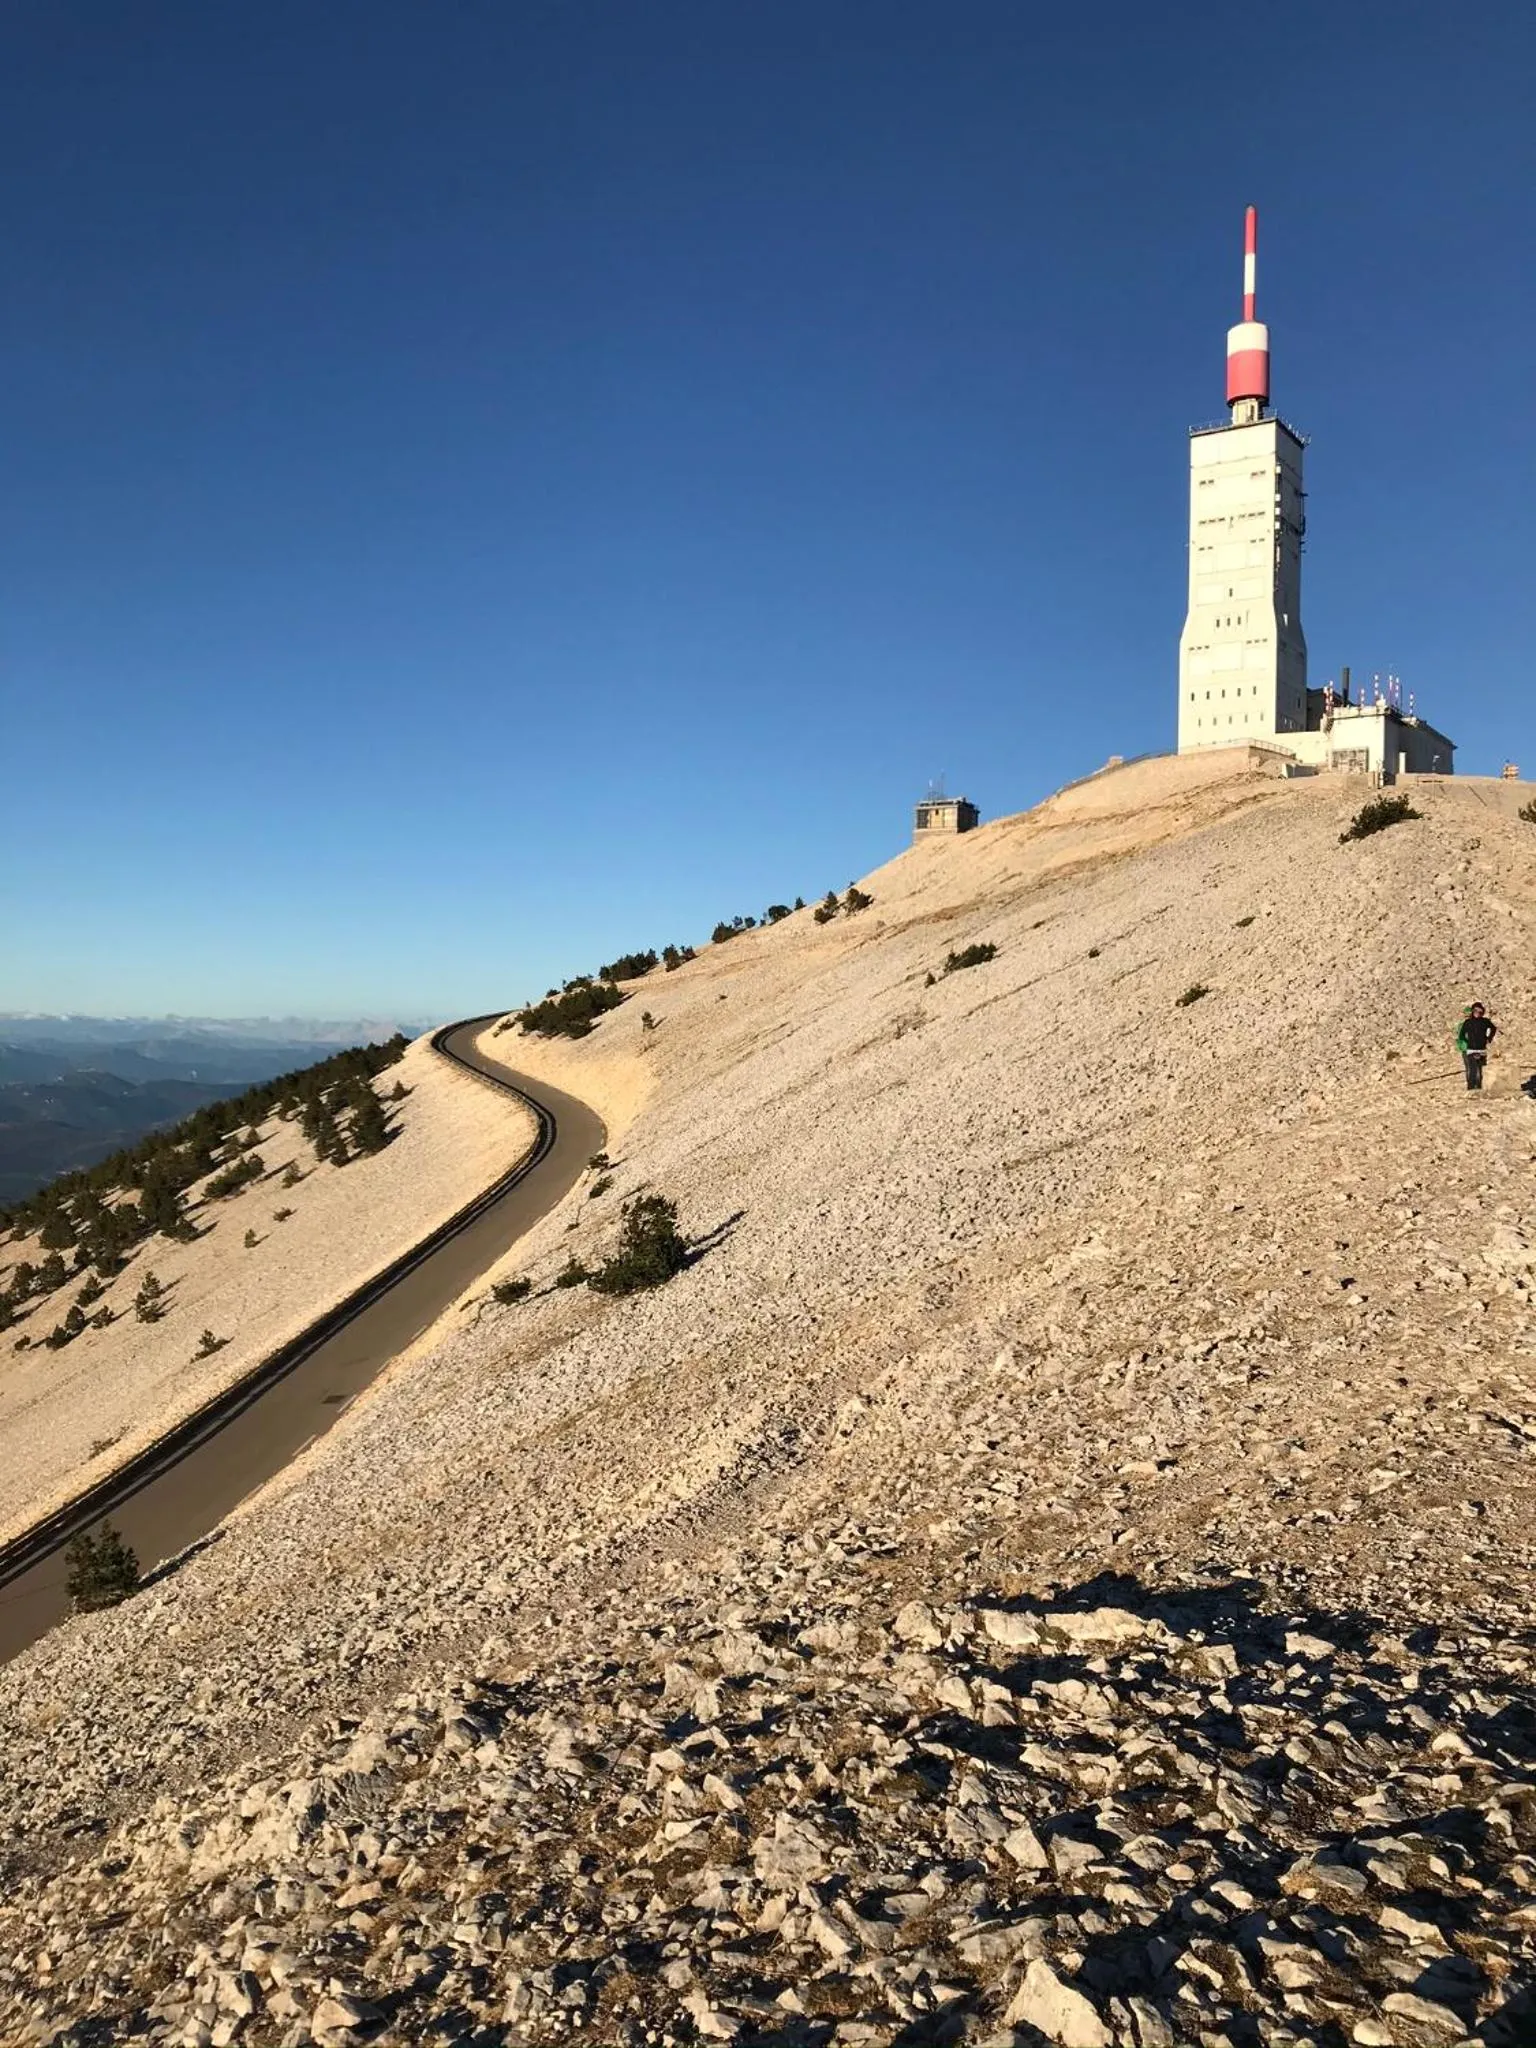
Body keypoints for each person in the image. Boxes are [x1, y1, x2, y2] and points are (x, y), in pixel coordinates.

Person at [1457, 1002, 1497, 1090]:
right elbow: (1462, 1034)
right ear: (1472, 1011)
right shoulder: (1467, 1022)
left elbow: (1493, 1028)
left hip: (1482, 1049)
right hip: (1471, 1049)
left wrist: (1488, 1038)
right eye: (1476, 1011)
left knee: (1481, 1070)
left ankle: (1479, 1088)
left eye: (1480, 1011)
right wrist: (1467, 1042)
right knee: (1472, 1070)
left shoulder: (1485, 1021)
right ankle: (1471, 1088)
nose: (1478, 1013)